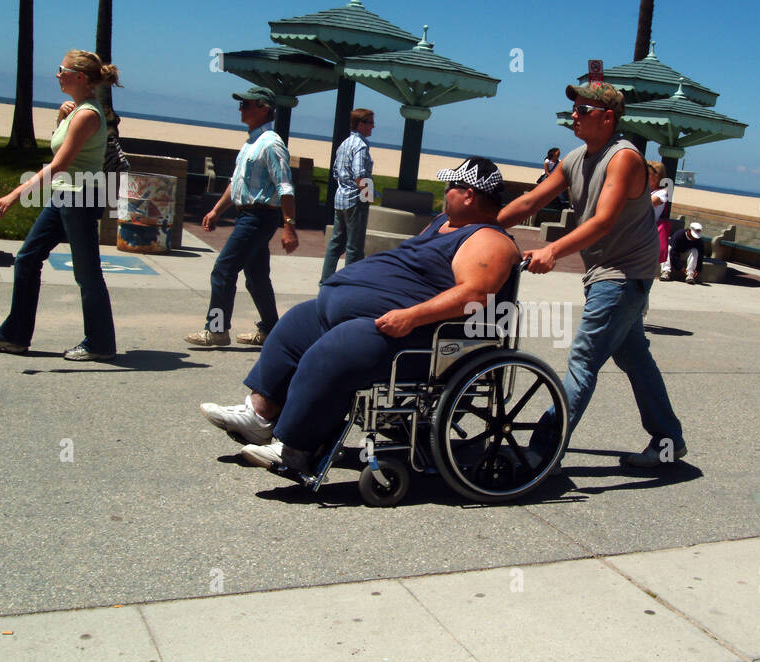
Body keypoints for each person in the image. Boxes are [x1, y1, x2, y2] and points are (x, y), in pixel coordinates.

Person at [200, 157, 520, 477]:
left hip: (417, 336)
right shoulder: (442, 222)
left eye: (451, 186)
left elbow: (474, 296)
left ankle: (296, 448)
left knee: (336, 352)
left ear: (469, 195)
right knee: (297, 324)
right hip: (365, 313)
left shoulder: (489, 241)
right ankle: (259, 415)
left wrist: (410, 316)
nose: (445, 190)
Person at [497, 82, 686, 468]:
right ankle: (669, 440)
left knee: (583, 360)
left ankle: (541, 453)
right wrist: (479, 225)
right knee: (635, 359)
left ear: (608, 118)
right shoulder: (576, 158)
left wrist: (552, 250)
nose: (574, 117)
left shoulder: (624, 159)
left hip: (623, 274)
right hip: (607, 270)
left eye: (583, 110)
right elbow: (534, 200)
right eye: (574, 110)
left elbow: (602, 221)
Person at [0, 50, 120, 360]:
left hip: (81, 197)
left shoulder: (87, 115)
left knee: (86, 272)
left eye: (62, 70)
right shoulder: (75, 111)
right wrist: (60, 118)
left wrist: (14, 194)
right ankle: (14, 336)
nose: (57, 75)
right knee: (27, 258)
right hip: (65, 196)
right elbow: (59, 147)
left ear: (79, 77)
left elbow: (60, 164)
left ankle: (101, 343)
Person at [185, 87, 299, 347]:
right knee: (257, 277)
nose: (240, 109)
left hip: (259, 217)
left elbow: (286, 187)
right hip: (249, 215)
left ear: (263, 108)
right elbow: (237, 184)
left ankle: (216, 330)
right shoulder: (251, 143)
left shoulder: (271, 144)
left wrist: (289, 226)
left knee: (223, 270)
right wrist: (216, 211)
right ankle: (271, 330)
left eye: (246, 104)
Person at [319, 107, 376, 285]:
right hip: (355, 200)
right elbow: (360, 174)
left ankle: (325, 282)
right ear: (361, 124)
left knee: (336, 244)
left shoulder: (344, 144)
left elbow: (336, 172)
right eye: (370, 123)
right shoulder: (360, 146)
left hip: (340, 199)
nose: (373, 127)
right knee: (354, 247)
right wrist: (369, 196)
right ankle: (349, 284)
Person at [647, 160, 672, 277]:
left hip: (647, 232)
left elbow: (649, 203)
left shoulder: (662, 193)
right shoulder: (648, 191)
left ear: (656, 177)